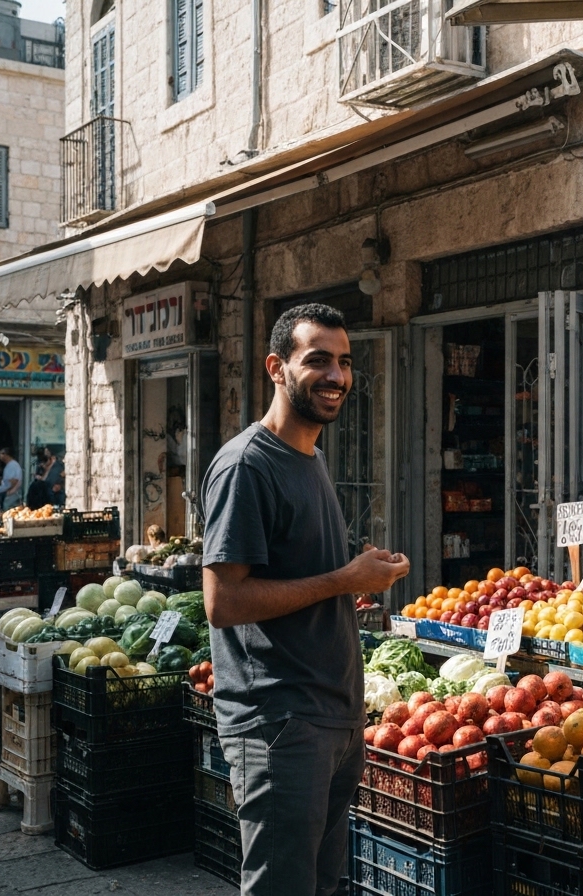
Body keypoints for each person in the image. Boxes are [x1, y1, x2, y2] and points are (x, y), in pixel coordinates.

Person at [201, 303, 411, 896]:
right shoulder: (247, 465)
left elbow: (305, 580)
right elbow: (223, 601)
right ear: (277, 368)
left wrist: (358, 583)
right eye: (317, 360)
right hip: (279, 722)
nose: (336, 376)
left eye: (344, 362)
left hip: (333, 715)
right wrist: (343, 580)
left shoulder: (311, 457)